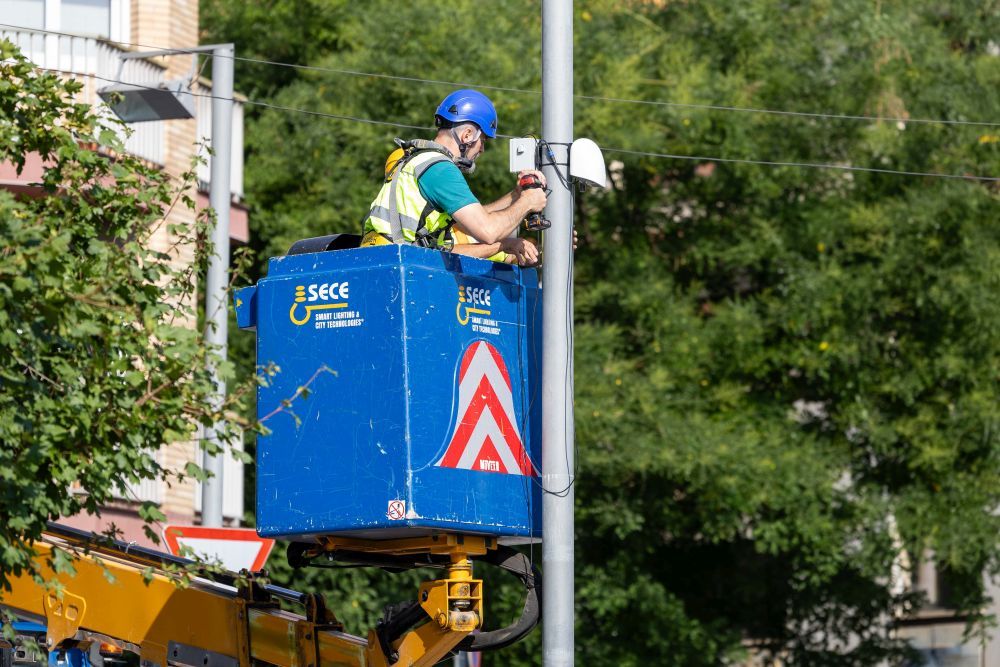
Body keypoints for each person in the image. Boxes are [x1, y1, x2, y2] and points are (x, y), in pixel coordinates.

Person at [361, 89, 547, 266]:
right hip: (400, 265)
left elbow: (474, 221)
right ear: (467, 135)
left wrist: (516, 195)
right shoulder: (440, 170)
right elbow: (488, 231)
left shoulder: (419, 160)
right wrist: (528, 201)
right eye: (483, 141)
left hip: (384, 259)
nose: (482, 149)